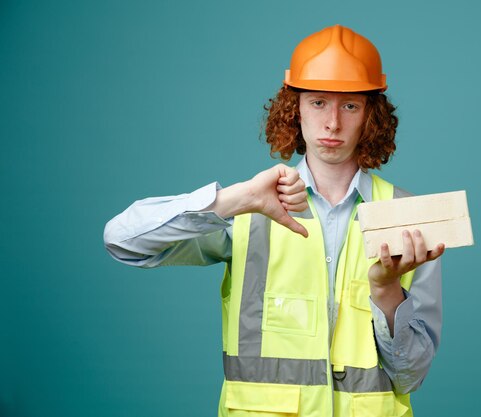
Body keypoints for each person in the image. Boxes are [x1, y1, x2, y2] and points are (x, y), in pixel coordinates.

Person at [104, 24, 444, 417]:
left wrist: (387, 292)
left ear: (371, 115)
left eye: (349, 105)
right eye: (318, 102)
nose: (332, 123)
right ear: (294, 107)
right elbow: (122, 240)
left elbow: (410, 376)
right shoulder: (248, 209)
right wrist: (236, 198)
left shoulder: (407, 215)